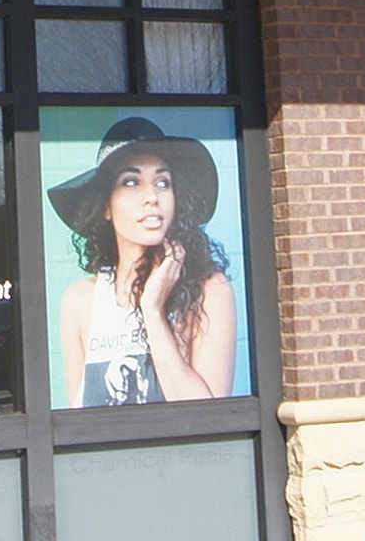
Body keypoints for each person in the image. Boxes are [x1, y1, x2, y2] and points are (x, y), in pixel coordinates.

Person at [50, 117, 237, 406]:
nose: (152, 196)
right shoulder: (80, 301)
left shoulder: (209, 290)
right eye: (131, 182)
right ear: (106, 206)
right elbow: (78, 420)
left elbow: (208, 415)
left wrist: (153, 310)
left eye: (163, 183)